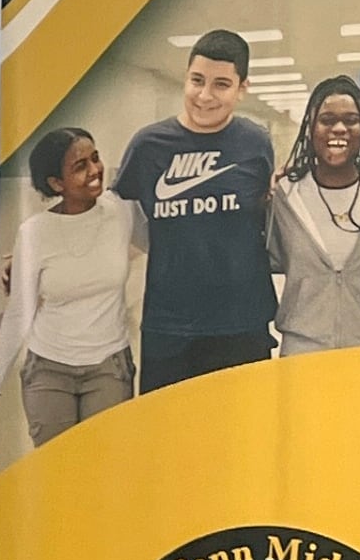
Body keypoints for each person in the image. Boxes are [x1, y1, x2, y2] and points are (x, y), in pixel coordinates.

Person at [113, 28, 279, 390]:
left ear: (242, 88)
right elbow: (103, 222)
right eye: (196, 80)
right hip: (170, 330)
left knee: (242, 438)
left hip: (242, 325)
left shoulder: (255, 144)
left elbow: (271, 212)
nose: (205, 96)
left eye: (221, 84)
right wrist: (35, 251)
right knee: (172, 440)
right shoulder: (148, 146)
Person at [0, 127, 144, 445]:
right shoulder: (35, 232)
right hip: (49, 371)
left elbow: (163, 235)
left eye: (96, 158)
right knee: (56, 471)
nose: (95, 170)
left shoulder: (121, 210)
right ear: (56, 183)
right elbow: (19, 312)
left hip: (109, 368)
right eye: (80, 166)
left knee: (105, 468)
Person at [268, 76, 360, 355]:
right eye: (327, 119)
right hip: (303, 347)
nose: (339, 128)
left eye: (351, 120)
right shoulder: (284, 195)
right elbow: (275, 256)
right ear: (310, 126)